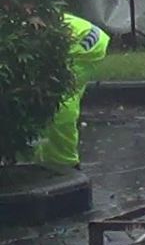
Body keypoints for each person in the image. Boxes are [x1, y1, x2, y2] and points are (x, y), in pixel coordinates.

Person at [32, 13, 109, 168]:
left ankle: (63, 164)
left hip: (83, 44)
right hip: (71, 40)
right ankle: (46, 157)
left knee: (59, 102)